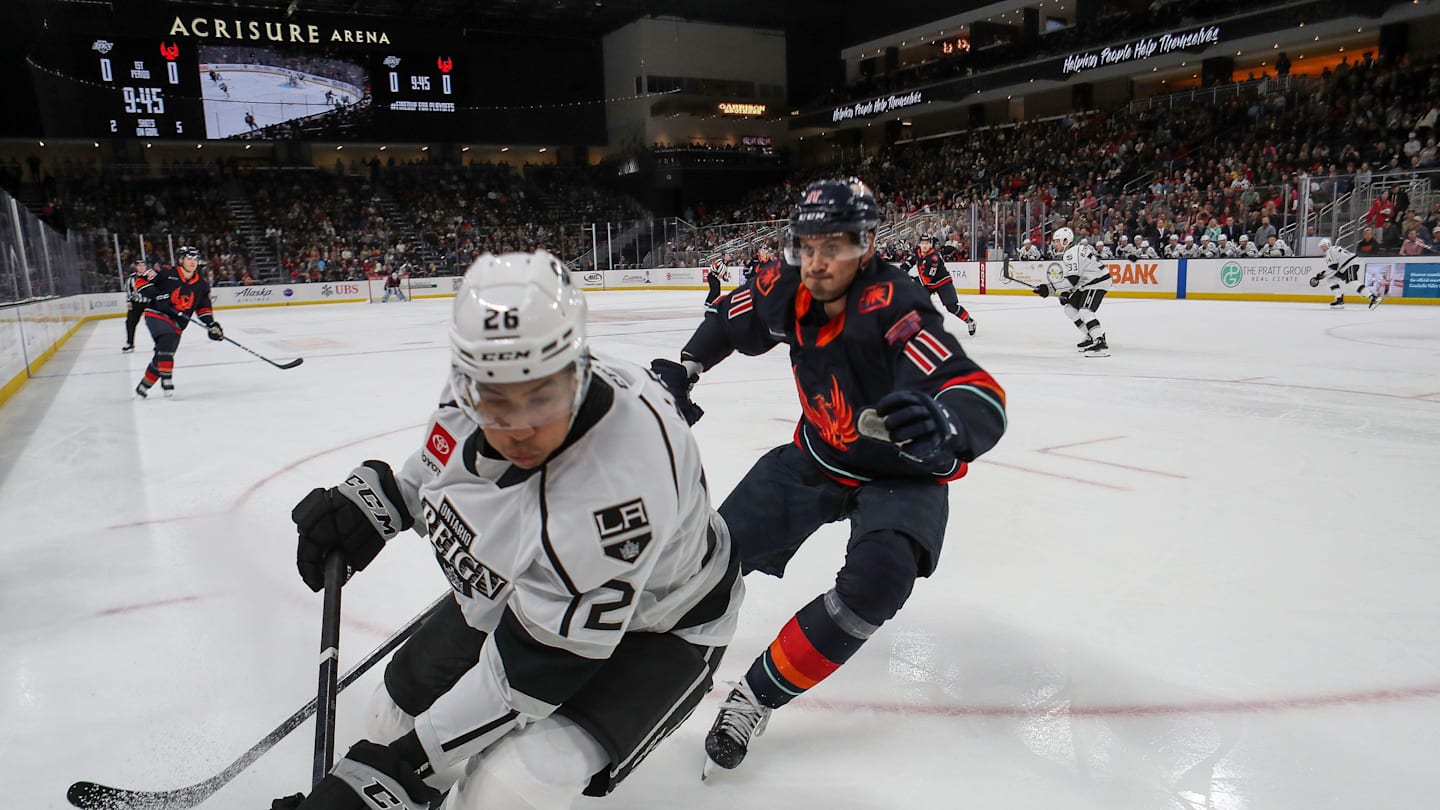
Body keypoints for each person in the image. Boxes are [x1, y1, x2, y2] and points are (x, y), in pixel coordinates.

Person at [274, 251, 742, 810]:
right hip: (534, 593)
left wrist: (404, 771)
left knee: (508, 787)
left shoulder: (620, 491)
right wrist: (375, 505)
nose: (517, 427)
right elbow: (432, 478)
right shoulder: (478, 378)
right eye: (494, 399)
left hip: (663, 628)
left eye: (540, 397)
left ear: (577, 369)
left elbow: (527, 674)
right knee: (387, 719)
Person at [648, 178, 1007, 776]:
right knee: (706, 559)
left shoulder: (896, 309)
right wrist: (687, 365)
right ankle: (631, 664)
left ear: (866, 249)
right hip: (816, 456)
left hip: (904, 476)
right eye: (808, 245)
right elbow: (733, 319)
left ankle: (756, 696)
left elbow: (981, 399)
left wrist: (943, 419)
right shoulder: (785, 289)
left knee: (880, 580)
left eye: (834, 246)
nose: (818, 262)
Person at [130, 246, 223, 397]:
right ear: (181, 260)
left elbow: (203, 308)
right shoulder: (165, 271)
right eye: (189, 258)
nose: (193, 262)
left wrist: (211, 324)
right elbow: (140, 282)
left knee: (163, 354)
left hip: (178, 323)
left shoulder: (202, 284)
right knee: (167, 339)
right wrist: (157, 296)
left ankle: (144, 386)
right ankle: (167, 381)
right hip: (157, 314)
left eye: (195, 259)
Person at [1031, 227, 1113, 357]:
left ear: (1065, 241)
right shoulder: (1073, 251)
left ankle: (1100, 343)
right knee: (1070, 309)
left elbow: (1073, 280)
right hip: (1089, 282)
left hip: (1097, 282)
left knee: (1085, 311)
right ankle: (1091, 335)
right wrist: (1066, 292)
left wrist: (1048, 288)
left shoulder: (1071, 253)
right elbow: (1076, 277)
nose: (1055, 244)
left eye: (1057, 241)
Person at [907, 233, 977, 335]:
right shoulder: (917, 252)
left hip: (942, 282)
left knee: (951, 306)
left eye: (927, 243)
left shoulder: (934, 257)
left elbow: (928, 278)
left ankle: (970, 321)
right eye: (922, 243)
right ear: (919, 244)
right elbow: (910, 262)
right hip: (929, 285)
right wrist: (902, 271)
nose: (924, 245)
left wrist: (911, 280)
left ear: (930, 244)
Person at [1310, 237, 1382, 310]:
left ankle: (1373, 297)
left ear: (1327, 245)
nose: (1322, 248)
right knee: (1331, 280)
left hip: (1349, 264)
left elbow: (1333, 268)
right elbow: (1334, 268)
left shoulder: (1329, 251)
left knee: (1352, 282)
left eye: (1323, 246)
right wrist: (1321, 275)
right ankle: (1339, 300)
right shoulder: (1334, 249)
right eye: (1321, 247)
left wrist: (1320, 276)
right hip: (1345, 266)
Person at [121, 258, 157, 353]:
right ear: (136, 267)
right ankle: (130, 343)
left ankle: (159, 343)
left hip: (150, 303)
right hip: (136, 303)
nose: (141, 267)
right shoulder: (131, 279)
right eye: (139, 266)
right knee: (130, 323)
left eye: (143, 265)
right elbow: (128, 291)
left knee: (154, 323)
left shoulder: (151, 277)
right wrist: (128, 301)